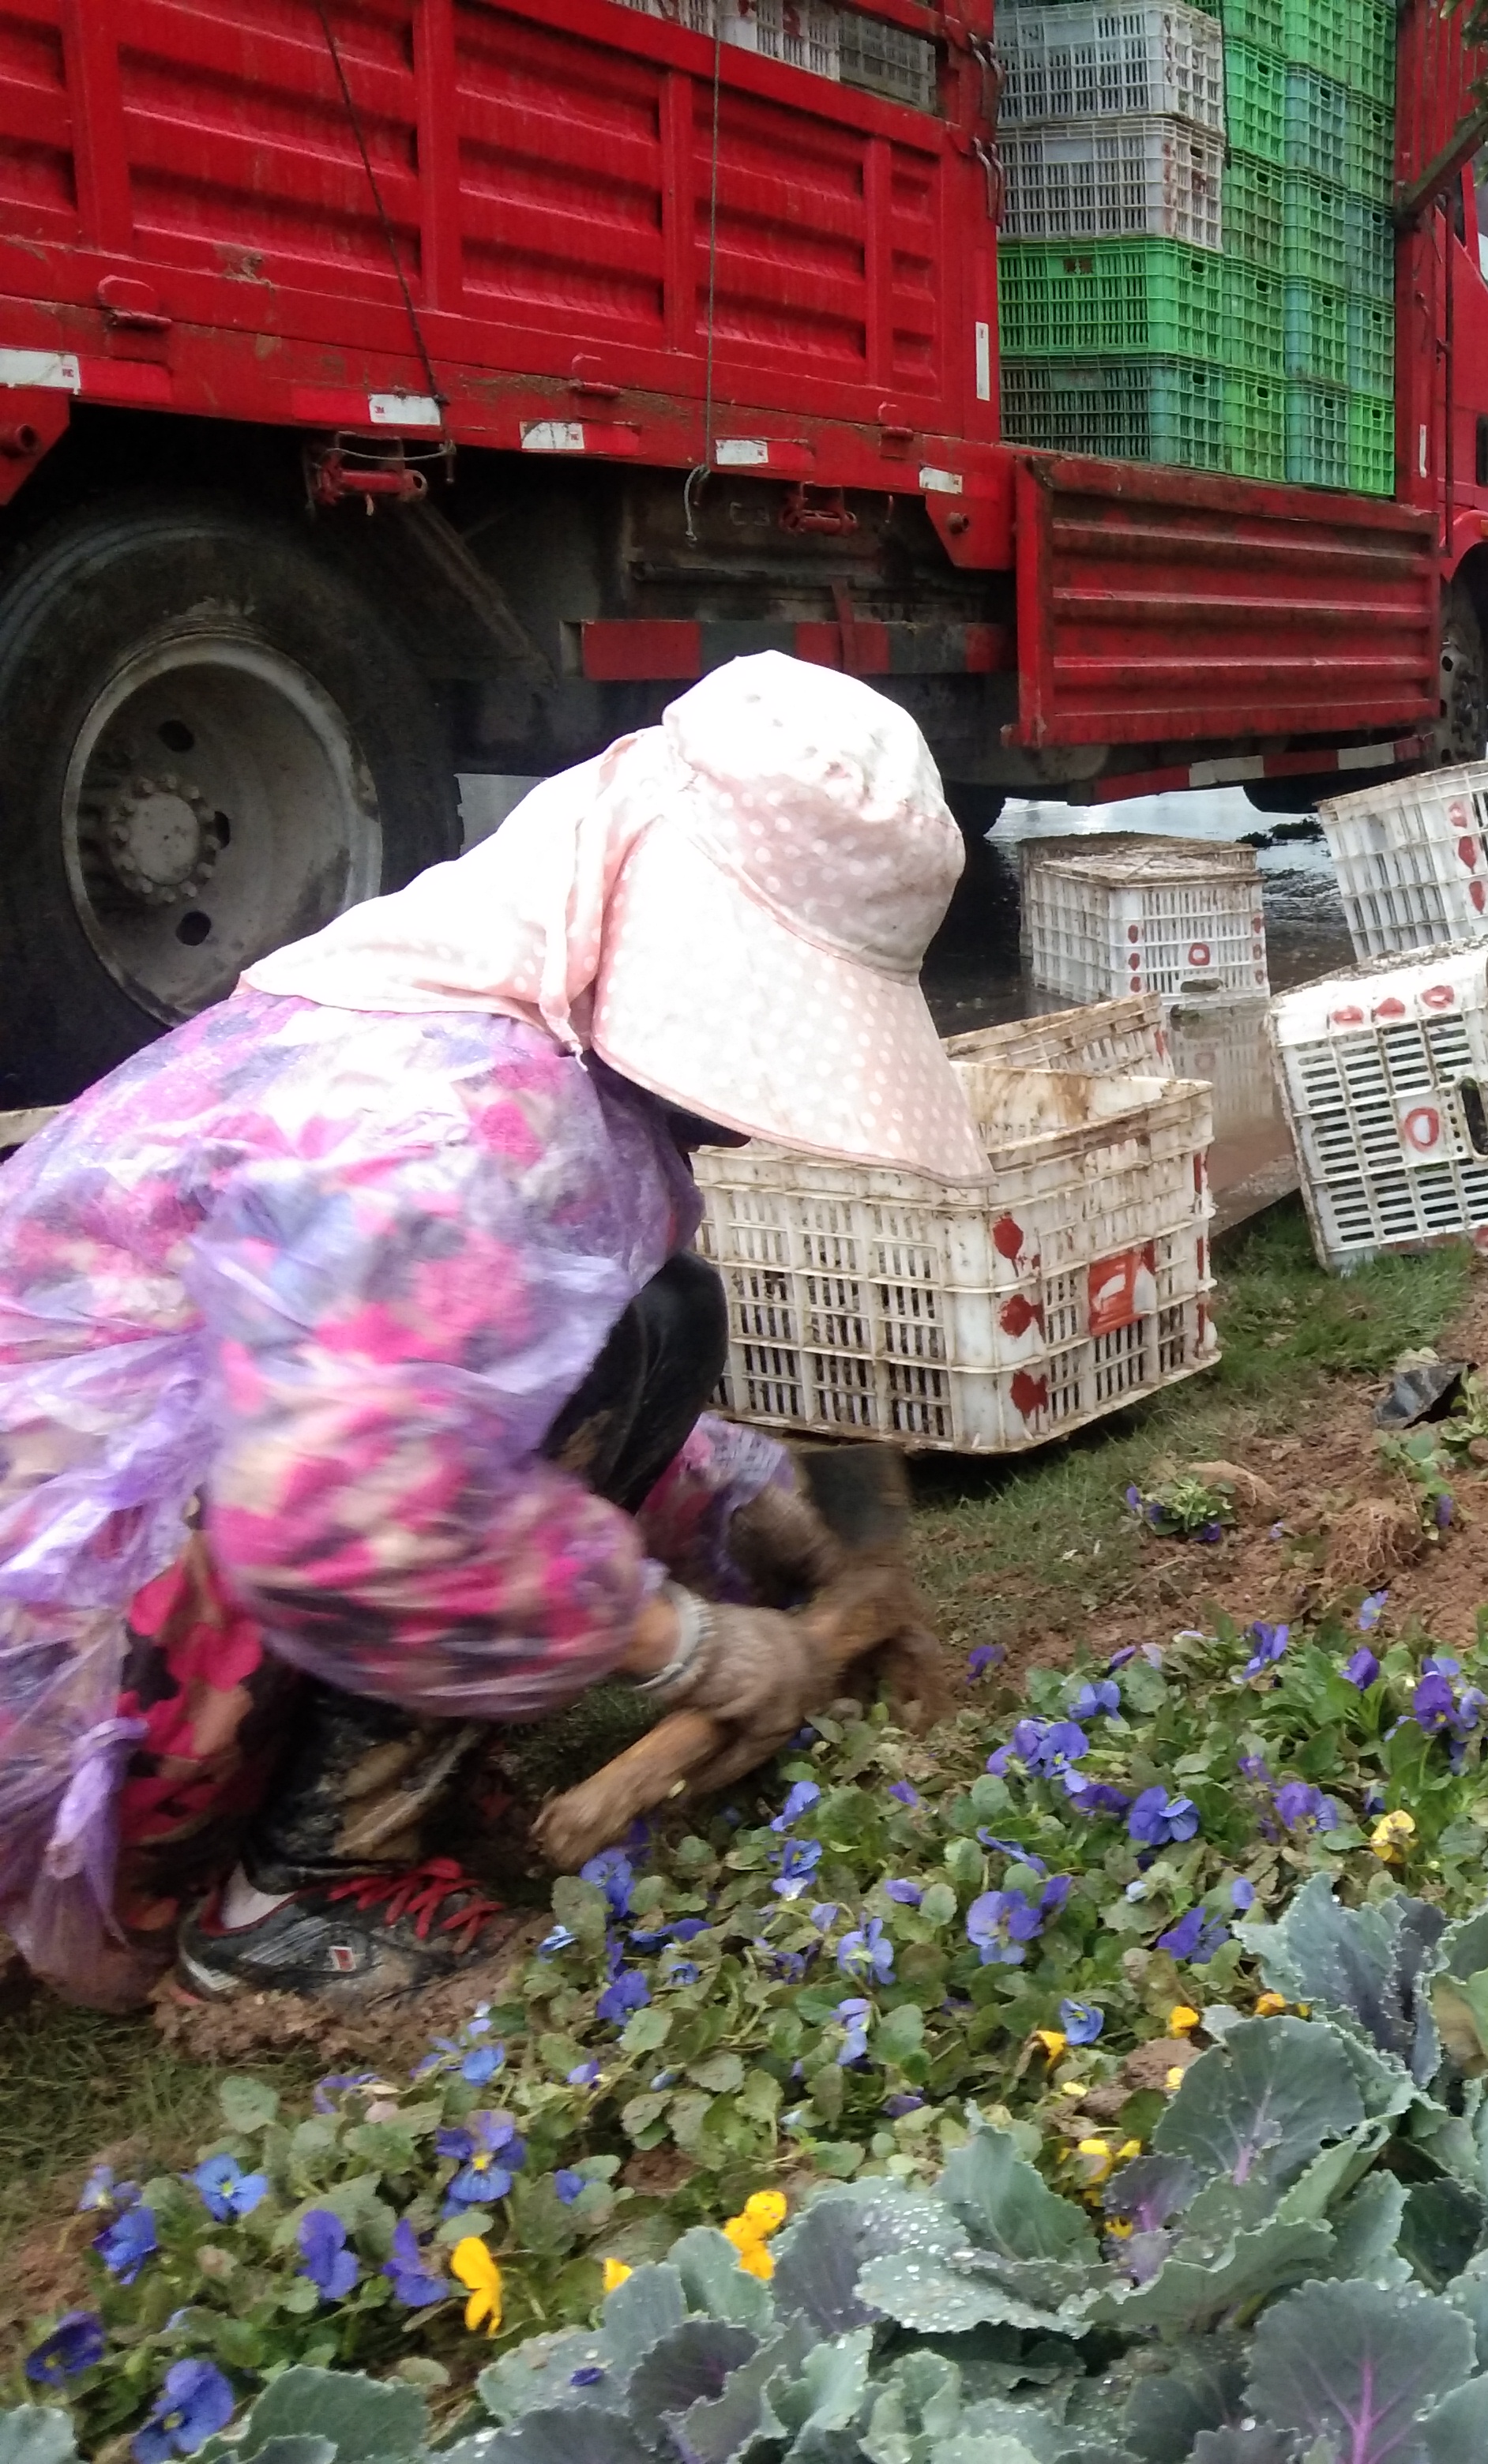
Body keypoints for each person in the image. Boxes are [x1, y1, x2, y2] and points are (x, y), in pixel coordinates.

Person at [0, 653, 978, 2011]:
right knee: (635, 1334)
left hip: (193, 1528)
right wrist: (690, 1645)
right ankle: (297, 1890)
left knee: (656, 1317)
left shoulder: (470, 1023)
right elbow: (355, 1504)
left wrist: (753, 1508)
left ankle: (338, 1785)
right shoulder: (453, 1120)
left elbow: (476, 1380)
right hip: (72, 1657)